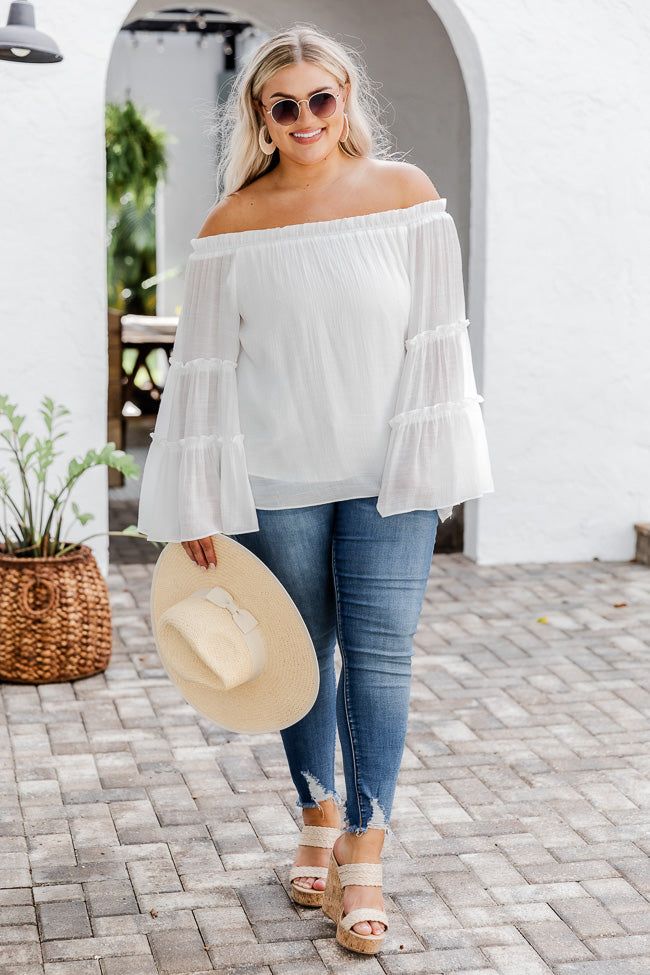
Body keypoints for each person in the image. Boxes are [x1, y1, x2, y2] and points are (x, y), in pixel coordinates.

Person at [137, 22, 494, 952]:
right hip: (277, 476)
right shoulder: (230, 224)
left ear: (346, 103)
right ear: (261, 116)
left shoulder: (407, 199)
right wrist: (199, 498)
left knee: (381, 655)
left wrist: (433, 461)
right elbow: (203, 373)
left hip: (390, 475)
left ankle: (365, 854)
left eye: (320, 101)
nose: (304, 119)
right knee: (302, 656)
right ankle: (316, 813)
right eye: (283, 104)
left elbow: (437, 345)